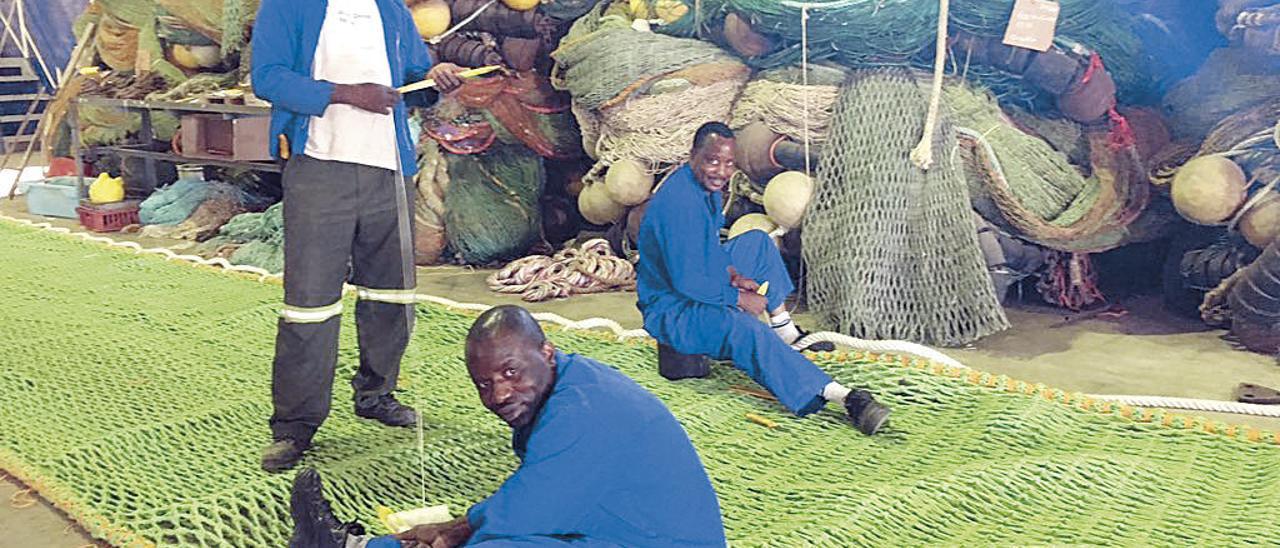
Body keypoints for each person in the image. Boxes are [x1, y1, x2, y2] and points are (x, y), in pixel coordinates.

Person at [286, 305, 727, 547]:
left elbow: (528, 509)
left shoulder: (583, 411)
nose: (498, 394)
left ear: (547, 352)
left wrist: (458, 527)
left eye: (511, 372)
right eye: (484, 383)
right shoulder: (570, 385)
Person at [251, 0, 469, 472]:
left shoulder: (392, 11)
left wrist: (437, 78)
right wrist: (346, 94)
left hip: (388, 170)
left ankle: (376, 393)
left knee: (392, 294)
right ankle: (295, 425)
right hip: (319, 169)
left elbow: (413, 79)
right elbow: (267, 77)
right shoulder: (288, 7)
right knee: (310, 304)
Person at [635, 122, 892, 436]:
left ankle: (786, 333)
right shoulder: (678, 204)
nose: (721, 171)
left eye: (729, 164)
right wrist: (739, 298)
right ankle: (844, 398)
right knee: (743, 327)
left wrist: (733, 274)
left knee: (756, 242)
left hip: (692, 281)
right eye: (712, 161)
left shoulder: (706, 188)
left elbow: (708, 246)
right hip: (672, 310)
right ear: (693, 156)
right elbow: (686, 282)